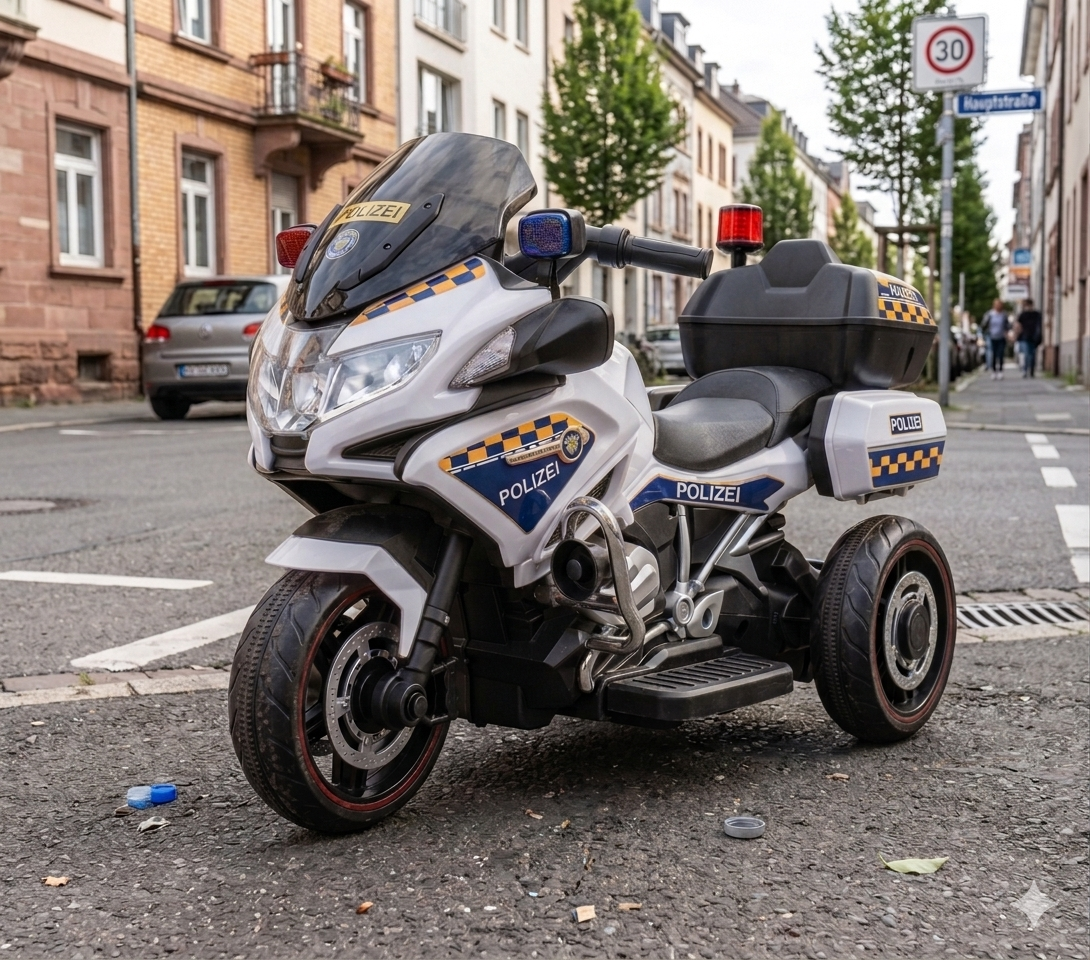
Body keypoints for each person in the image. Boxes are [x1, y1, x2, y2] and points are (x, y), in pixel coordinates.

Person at [982, 299, 1010, 379]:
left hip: (1001, 337)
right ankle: (994, 371)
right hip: (991, 337)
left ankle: (1000, 371)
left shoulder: (1004, 315)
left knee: (1000, 354)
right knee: (993, 354)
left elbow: (1007, 325)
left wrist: (1007, 332)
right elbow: (984, 324)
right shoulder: (990, 314)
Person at [1015, 299, 1043, 378]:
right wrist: (1017, 334)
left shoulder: (1036, 314)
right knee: (1027, 354)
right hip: (1024, 337)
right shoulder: (1022, 315)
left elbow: (1039, 326)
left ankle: (1031, 370)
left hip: (1034, 337)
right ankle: (1025, 370)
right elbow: (1018, 325)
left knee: (1032, 355)